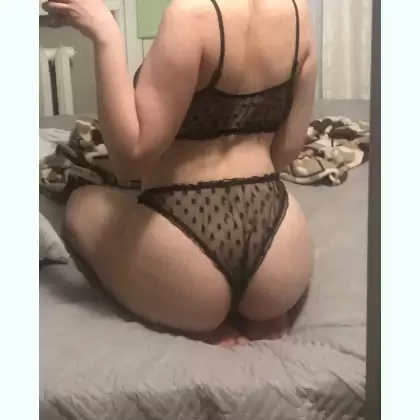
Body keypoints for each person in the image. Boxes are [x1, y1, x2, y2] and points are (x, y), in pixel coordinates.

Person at [43, 0, 316, 346]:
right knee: (260, 288)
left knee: (82, 203)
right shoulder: (297, 11)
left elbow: (131, 159)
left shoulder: (190, 15)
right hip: (279, 247)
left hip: (184, 238)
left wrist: (105, 34)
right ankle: (262, 310)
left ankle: (202, 317)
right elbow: (287, 149)